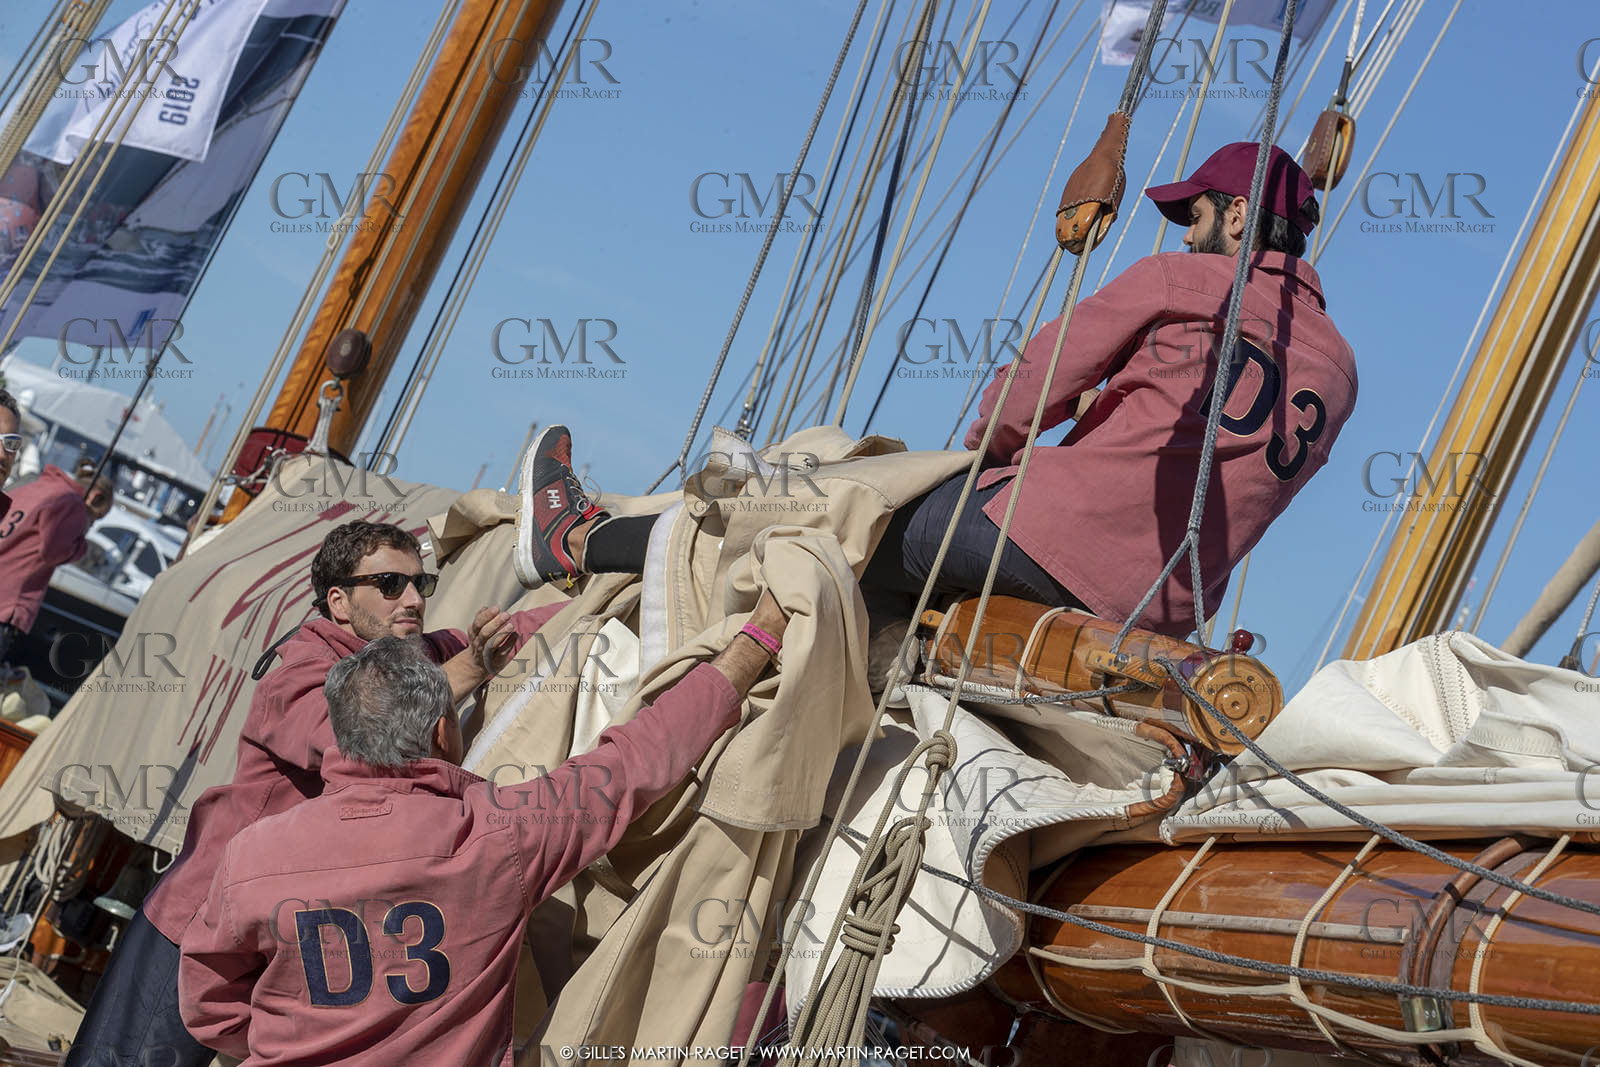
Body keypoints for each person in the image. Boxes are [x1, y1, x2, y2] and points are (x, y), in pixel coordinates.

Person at [513, 143, 1357, 640]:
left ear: (1240, 217)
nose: (1187, 231)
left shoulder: (1183, 279)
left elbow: (1040, 378)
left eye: (1199, 214)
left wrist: (981, 453)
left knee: (807, 506)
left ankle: (574, 542)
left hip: (1035, 538)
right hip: (1152, 617)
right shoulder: (1341, 372)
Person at [178, 595, 789, 1065]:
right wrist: (756, 639)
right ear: (444, 732)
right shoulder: (502, 836)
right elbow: (637, 761)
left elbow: (208, 1003)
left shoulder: (251, 856)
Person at [64, 520, 558, 1067]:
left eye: (423, 584)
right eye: (392, 584)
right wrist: (470, 667)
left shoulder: (408, 657)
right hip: (201, 924)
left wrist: (607, 568)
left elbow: (533, 626)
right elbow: (370, 742)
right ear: (339, 601)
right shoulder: (301, 674)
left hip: (290, 933)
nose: (414, 599)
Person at [0, 454, 113, 665]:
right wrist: (81, 545)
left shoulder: (38, 486)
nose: (89, 524)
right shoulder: (71, 503)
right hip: (9, 601)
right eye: (95, 518)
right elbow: (53, 552)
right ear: (94, 497)